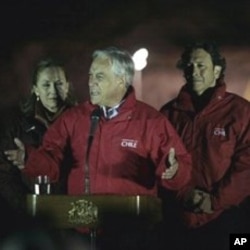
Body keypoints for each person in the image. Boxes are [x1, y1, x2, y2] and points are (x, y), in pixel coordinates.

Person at [20, 47, 192, 250]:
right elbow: (51, 161)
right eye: (90, 75)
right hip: (82, 236)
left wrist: (174, 171)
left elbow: (180, 164)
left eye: (99, 76)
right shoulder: (75, 118)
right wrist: (28, 159)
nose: (91, 82)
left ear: (121, 80)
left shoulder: (150, 121)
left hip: (131, 235)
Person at [160, 41, 250, 250]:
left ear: (217, 70)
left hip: (229, 218)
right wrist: (183, 194)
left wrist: (216, 200)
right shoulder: (169, 114)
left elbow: (247, 164)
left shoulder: (240, 112)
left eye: (201, 66)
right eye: (189, 66)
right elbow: (160, 161)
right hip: (179, 218)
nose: (194, 72)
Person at [0, 57, 77, 212]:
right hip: (33, 218)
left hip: (73, 213)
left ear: (67, 86)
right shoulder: (18, 129)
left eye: (59, 84)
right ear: (35, 89)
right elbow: (5, 176)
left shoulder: (82, 124)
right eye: (46, 84)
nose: (53, 91)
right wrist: (28, 206)